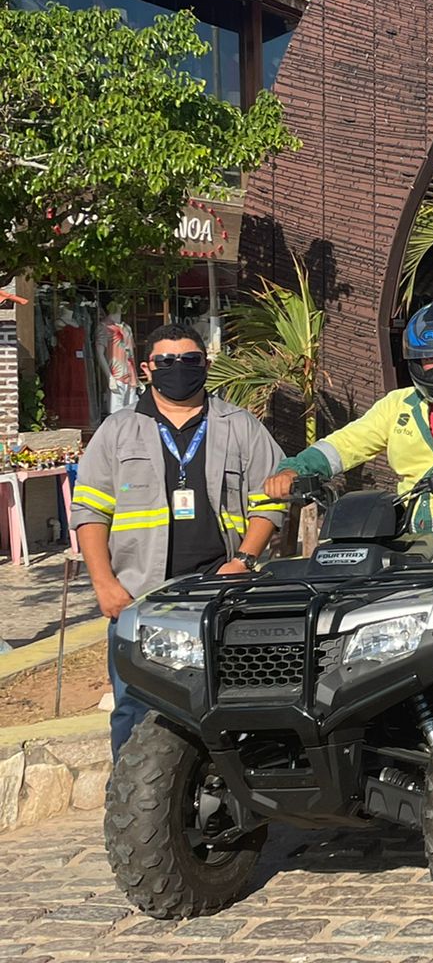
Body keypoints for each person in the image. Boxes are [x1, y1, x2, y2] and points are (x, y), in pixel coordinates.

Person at [70, 322, 287, 760]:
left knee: (225, 704)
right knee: (134, 708)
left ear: (205, 364)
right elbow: (90, 513)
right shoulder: (117, 431)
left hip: (220, 591)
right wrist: (104, 585)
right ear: (148, 368)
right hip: (141, 595)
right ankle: (133, 811)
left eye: (189, 360)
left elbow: (270, 503)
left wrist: (243, 560)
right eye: (167, 362)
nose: (178, 369)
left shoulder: (239, 426)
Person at [264, 299, 433, 565]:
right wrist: (296, 468)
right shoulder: (398, 405)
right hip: (416, 542)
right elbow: (346, 443)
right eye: (430, 358)